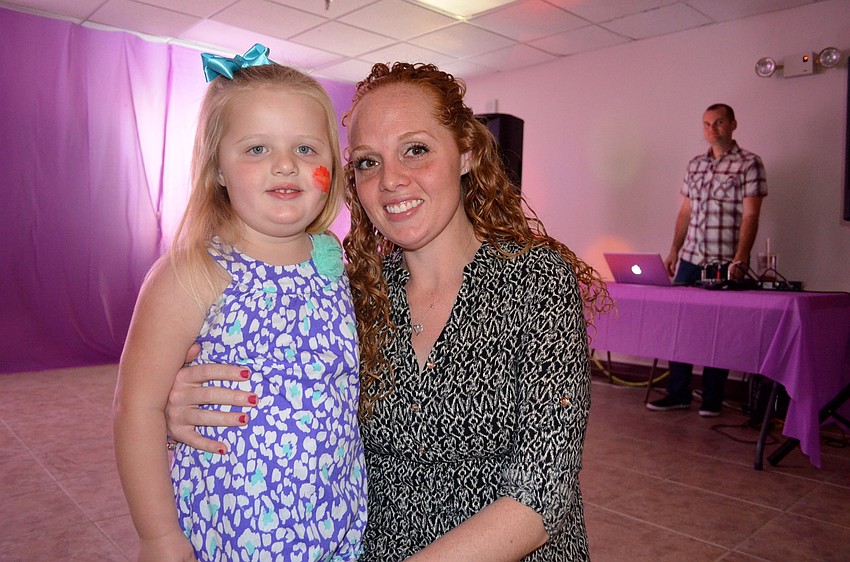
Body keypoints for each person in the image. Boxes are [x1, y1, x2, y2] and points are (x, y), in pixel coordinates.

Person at [165, 61, 611, 560]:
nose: (391, 180)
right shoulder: (350, 296)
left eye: (415, 150)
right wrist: (185, 405)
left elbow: (541, 492)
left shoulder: (535, 281)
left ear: (465, 152)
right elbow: (290, 414)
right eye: (368, 162)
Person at [112, 44, 366, 561]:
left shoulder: (332, 260)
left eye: (306, 149)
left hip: (333, 524)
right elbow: (135, 409)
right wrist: (158, 536)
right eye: (256, 150)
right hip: (226, 531)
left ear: (332, 169)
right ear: (218, 170)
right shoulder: (191, 272)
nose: (285, 166)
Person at [649, 103, 767, 417]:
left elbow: (752, 214)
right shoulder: (695, 165)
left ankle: (713, 398)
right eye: (706, 124)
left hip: (724, 259)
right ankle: (678, 393)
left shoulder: (749, 164)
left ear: (732, 124)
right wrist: (674, 250)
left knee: (718, 329)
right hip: (690, 257)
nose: (711, 130)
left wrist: (741, 256)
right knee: (680, 326)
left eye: (718, 123)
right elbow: (685, 212)